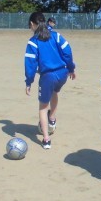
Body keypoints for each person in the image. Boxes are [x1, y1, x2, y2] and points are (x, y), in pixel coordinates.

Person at [24, 12, 76, 149]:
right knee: (54, 92)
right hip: (62, 73)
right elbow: (67, 52)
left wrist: (28, 82)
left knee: (43, 107)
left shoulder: (33, 41)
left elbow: (30, 64)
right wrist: (71, 68)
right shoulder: (56, 35)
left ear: (32, 24)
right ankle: (52, 119)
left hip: (48, 76)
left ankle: (46, 139)